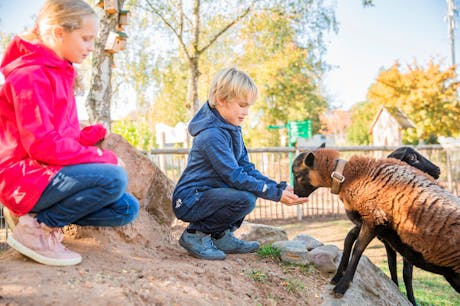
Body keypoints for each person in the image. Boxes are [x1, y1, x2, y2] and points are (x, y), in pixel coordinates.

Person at [0, 0, 139, 266]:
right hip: (22, 177)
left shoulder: (61, 71)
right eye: (85, 38)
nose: (90, 46)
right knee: (114, 178)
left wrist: (88, 135)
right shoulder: (30, 75)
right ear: (59, 32)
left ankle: (44, 221)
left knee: (125, 208)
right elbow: (42, 145)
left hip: (45, 175)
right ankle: (37, 229)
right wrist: (103, 156)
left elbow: (60, 134)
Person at [172, 67, 308, 260]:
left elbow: (246, 169)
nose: (246, 112)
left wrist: (278, 187)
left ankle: (220, 236)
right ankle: (195, 235)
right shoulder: (212, 135)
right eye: (242, 105)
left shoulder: (232, 129)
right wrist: (275, 194)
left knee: (250, 190)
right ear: (221, 100)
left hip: (210, 195)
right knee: (245, 198)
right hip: (190, 200)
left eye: (249, 106)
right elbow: (234, 176)